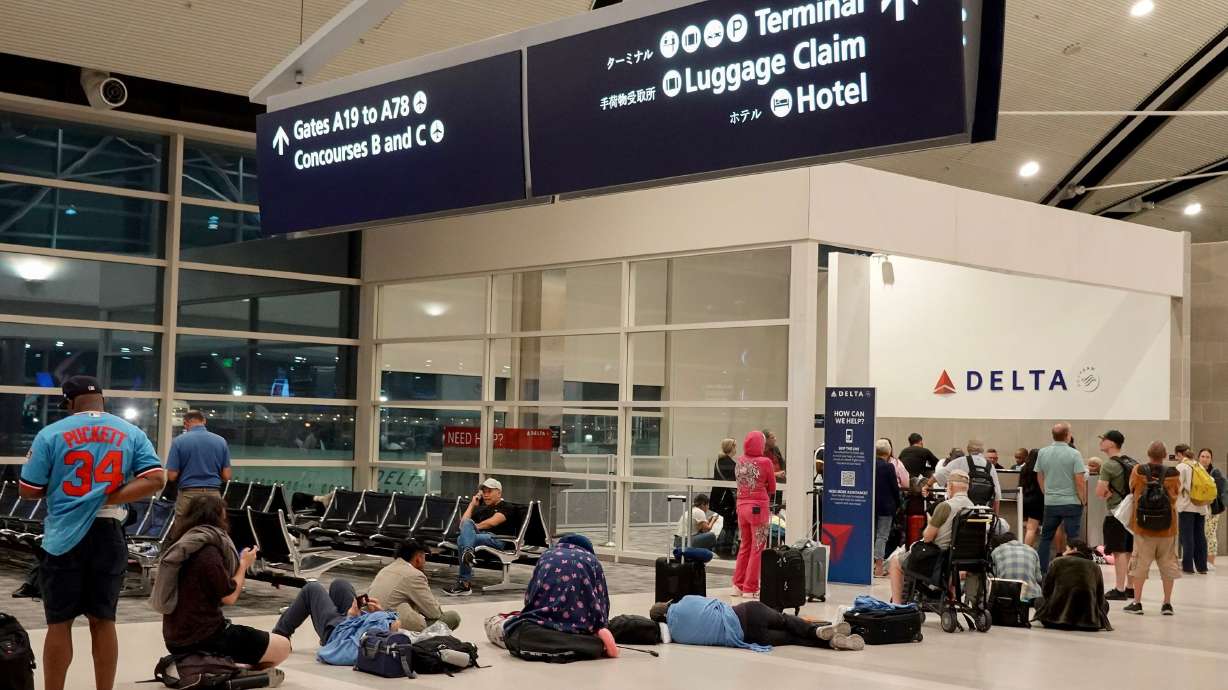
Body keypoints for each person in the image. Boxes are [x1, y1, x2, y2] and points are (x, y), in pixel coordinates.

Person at [18, 376, 165, 690]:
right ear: (102, 399)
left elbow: (28, 490)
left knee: (59, 623)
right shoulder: (131, 432)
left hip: (63, 537)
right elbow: (155, 479)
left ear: (70, 403)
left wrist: (69, 492)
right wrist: (105, 496)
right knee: (103, 621)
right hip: (108, 534)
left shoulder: (50, 434)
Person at [154, 494, 289, 674]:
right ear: (219, 516)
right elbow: (229, 597)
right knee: (283, 646)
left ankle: (217, 666)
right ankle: (233, 671)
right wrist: (244, 565)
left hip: (174, 638)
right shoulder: (208, 551)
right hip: (205, 636)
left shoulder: (183, 544)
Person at [504, 534, 612, 652]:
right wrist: (601, 625)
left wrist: (528, 612)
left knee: (514, 628)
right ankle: (586, 643)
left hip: (541, 619)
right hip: (580, 623)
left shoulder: (546, 555)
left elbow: (531, 593)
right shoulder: (592, 560)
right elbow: (602, 598)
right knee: (595, 634)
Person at [649, 596, 863, 652]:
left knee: (791, 638)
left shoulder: (677, 636)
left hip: (747, 638)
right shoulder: (684, 601)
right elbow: (713, 603)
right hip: (746, 613)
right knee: (786, 620)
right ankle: (818, 629)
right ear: (666, 605)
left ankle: (832, 642)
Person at [888, 470, 976, 603]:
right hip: (958, 559)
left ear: (950, 487)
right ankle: (948, 597)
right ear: (967, 487)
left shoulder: (945, 506)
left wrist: (930, 523)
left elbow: (928, 537)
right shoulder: (973, 508)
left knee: (895, 562)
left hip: (936, 559)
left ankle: (896, 604)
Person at [1124, 441, 1181, 616]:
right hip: (1167, 528)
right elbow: (1177, 493)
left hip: (1143, 528)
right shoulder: (1174, 473)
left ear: (1148, 454)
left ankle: (1137, 602)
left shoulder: (1138, 471)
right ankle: (1167, 604)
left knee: (1140, 565)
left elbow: (1131, 488)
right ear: (1165, 455)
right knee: (1167, 565)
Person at [368, 539, 461, 632]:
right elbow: (434, 613)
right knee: (452, 617)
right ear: (418, 558)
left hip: (371, 621)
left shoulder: (385, 569)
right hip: (394, 626)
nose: (425, 562)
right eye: (424, 557)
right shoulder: (415, 575)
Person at [445, 478, 513, 596]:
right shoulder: (482, 509)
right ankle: (468, 552)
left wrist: (470, 528)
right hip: (479, 537)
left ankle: (464, 583)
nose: (486, 495)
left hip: (497, 539)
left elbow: (492, 523)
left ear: (499, 493)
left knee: (465, 533)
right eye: (484, 492)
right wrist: (472, 504)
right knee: (463, 535)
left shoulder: (507, 506)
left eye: (489, 492)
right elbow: (462, 525)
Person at [272, 580, 395, 646]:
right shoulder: (394, 631)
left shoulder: (391, 636)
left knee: (312, 588)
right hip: (354, 626)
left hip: (341, 635)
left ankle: (280, 635)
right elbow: (394, 627)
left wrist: (352, 617)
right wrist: (380, 613)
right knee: (340, 584)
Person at [1035, 423, 1088, 571]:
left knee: (1045, 538)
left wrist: (1047, 492)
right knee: (1073, 538)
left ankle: (1042, 570)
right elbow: (1079, 480)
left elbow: (1039, 475)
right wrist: (1083, 499)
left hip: (1051, 502)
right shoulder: (1074, 454)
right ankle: (1073, 569)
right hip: (1071, 502)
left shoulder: (1043, 452)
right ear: (1068, 435)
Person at [732, 430, 776, 598]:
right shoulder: (766, 462)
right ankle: (750, 588)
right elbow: (772, 487)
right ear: (761, 444)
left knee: (745, 546)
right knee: (757, 548)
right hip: (758, 508)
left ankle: (738, 585)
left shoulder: (740, 461)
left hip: (741, 507)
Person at [166, 410, 232, 517]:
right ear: (204, 421)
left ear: (185, 423)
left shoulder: (179, 441)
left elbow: (172, 476)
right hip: (214, 496)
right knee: (215, 529)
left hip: (188, 495)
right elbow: (227, 476)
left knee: (184, 530)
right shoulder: (221, 441)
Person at [1033, 540, 1112, 631]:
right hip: (1089, 622)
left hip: (1056, 620)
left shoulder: (1056, 562)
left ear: (1074, 549)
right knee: (1106, 604)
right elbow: (1100, 597)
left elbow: (1046, 591)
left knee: (1038, 601)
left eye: (1066, 549)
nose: (1064, 552)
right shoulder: (1095, 567)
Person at [1095, 430, 1136, 600]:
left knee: (1119, 552)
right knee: (1130, 551)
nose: (1101, 442)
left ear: (1111, 443)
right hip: (1131, 512)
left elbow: (1099, 492)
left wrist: (1107, 493)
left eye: (1103, 439)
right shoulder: (1132, 462)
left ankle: (1119, 589)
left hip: (1116, 513)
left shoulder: (1109, 465)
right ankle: (1130, 587)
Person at [930, 440, 1002, 512]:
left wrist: (927, 485)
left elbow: (940, 475)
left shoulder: (961, 461)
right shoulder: (990, 466)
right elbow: (997, 493)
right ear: (982, 451)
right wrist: (996, 515)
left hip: (962, 507)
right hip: (983, 508)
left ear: (968, 449)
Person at [1176, 447, 1210, 575]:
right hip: (1201, 506)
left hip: (1186, 506)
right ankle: (1202, 567)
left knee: (1187, 537)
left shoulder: (1182, 467)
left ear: (1180, 455)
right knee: (1200, 536)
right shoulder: (1199, 466)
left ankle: (1188, 566)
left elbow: (1178, 487)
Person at [989, 531, 1042, 602]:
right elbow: (1039, 578)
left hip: (1007, 597)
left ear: (1002, 543)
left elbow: (994, 577)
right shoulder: (1032, 550)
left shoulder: (996, 551)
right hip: (1031, 597)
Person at [874, 440, 901, 577]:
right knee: (882, 536)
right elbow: (894, 488)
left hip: (871, 506)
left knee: (871, 535)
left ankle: (869, 565)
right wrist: (898, 503)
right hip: (886, 506)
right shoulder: (889, 467)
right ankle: (879, 567)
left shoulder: (869, 464)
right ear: (889, 452)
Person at [1198, 448, 1225, 571]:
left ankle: (1211, 561)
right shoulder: (1196, 471)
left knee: (1210, 534)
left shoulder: (1215, 472)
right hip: (1199, 508)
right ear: (1199, 457)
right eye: (1203, 456)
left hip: (1212, 508)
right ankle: (1200, 560)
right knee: (1200, 534)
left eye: (1207, 457)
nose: (1205, 459)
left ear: (1211, 459)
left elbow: (1219, 490)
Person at [710, 438, 739, 555]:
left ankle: (723, 547)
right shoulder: (731, 464)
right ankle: (725, 548)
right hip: (728, 499)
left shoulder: (718, 461)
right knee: (730, 525)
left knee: (727, 524)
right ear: (732, 448)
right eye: (735, 446)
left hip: (719, 498)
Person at [1019, 449, 1043, 547]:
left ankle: (1028, 547)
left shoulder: (1024, 468)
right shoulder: (1039, 469)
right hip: (1037, 499)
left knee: (1028, 527)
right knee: (1032, 529)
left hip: (1025, 499)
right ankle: (1027, 549)